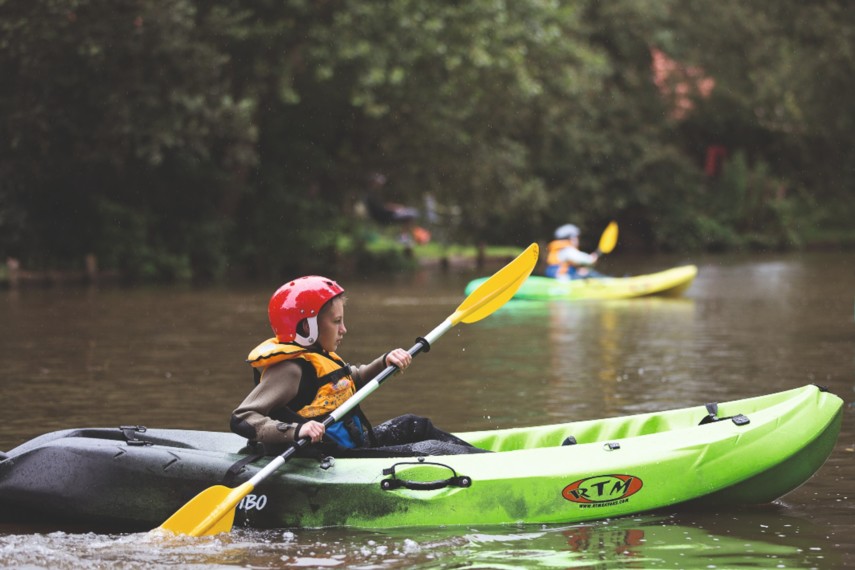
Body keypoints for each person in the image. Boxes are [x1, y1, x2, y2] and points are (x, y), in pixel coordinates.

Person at [230, 276, 486, 457]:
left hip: (350, 445)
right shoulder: (290, 370)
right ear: (307, 327)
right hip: (330, 457)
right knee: (431, 451)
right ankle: (489, 466)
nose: (343, 330)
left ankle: (487, 460)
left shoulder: (320, 357)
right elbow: (242, 418)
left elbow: (352, 379)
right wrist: (297, 430)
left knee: (414, 425)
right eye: (336, 322)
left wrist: (385, 361)